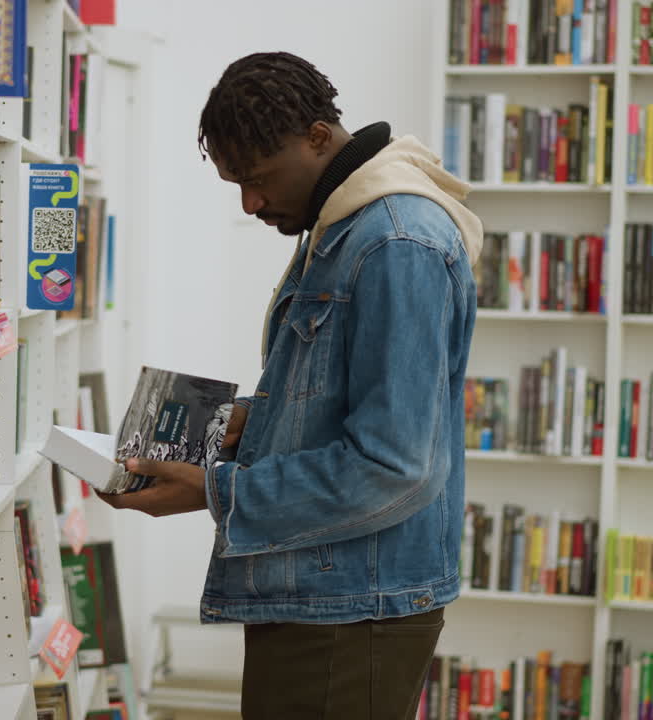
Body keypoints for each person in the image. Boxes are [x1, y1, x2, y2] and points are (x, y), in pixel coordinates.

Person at [97, 52, 483, 719]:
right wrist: (250, 422)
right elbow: (342, 404)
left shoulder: (394, 242)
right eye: (235, 185)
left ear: (317, 137)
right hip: (330, 596)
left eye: (258, 178)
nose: (250, 204)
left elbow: (396, 466)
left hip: (354, 609)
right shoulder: (344, 224)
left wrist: (217, 491)